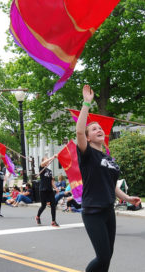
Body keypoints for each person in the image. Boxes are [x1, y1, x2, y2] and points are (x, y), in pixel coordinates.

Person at [76, 84, 141, 272]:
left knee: (107, 258)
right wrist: (86, 103)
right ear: (88, 138)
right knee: (102, 256)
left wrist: (127, 198)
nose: (98, 130)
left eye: (99, 128)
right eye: (93, 129)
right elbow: (79, 131)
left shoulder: (109, 159)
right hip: (93, 212)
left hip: (108, 210)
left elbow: (111, 185)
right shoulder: (87, 155)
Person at [35, 156, 60, 227]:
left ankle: (53, 221)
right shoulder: (41, 168)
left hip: (50, 190)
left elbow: (52, 182)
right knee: (43, 206)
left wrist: (56, 188)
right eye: (45, 159)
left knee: (53, 205)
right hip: (43, 190)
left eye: (47, 159)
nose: (47, 160)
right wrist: (52, 157)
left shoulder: (50, 171)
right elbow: (43, 163)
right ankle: (37, 217)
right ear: (43, 161)